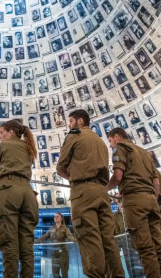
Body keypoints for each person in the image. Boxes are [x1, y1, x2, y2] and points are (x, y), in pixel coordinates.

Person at [56, 110, 123, 278]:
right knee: (109, 240)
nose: (69, 125)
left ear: (79, 121)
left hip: (83, 192)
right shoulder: (100, 141)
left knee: (89, 237)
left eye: (71, 121)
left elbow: (60, 167)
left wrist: (73, 178)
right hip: (102, 191)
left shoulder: (74, 136)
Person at [0, 119, 39, 278]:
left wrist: (0, 172)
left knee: (8, 241)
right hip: (28, 193)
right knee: (27, 246)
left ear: (11, 132)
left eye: (2, 133)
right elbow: (16, 167)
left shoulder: (3, 145)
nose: (0, 137)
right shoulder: (28, 146)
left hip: (9, 191)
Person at [106, 127, 161, 278]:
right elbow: (156, 183)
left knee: (145, 249)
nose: (110, 145)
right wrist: (151, 199)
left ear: (116, 137)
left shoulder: (120, 148)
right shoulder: (144, 152)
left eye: (110, 141)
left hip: (134, 200)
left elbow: (117, 176)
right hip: (151, 200)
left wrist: (104, 189)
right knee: (159, 248)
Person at [35, 212, 76, 278]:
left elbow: (70, 236)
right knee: (55, 275)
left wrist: (75, 240)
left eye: (57, 216)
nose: (55, 218)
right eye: (54, 217)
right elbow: (45, 236)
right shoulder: (52, 228)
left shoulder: (65, 228)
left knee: (64, 274)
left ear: (61, 219)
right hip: (54, 255)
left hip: (63, 254)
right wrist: (37, 241)